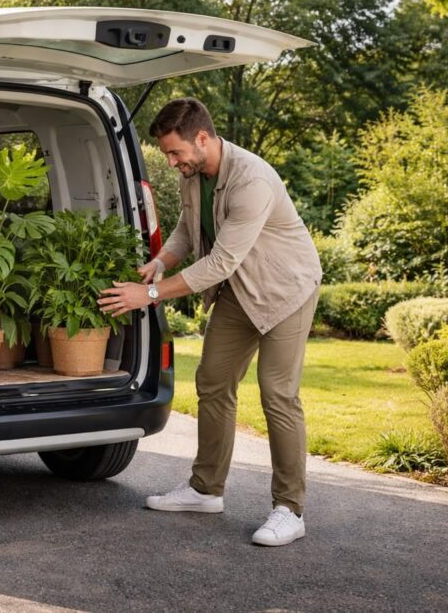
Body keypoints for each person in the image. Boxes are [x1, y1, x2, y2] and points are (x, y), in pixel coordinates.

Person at [98, 97, 321, 547]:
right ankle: (205, 489)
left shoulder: (252, 180)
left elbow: (220, 261)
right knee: (213, 380)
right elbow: (187, 229)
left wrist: (150, 294)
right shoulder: (194, 174)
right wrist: (160, 262)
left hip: (286, 291)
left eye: (175, 152)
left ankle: (289, 509)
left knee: (277, 393)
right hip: (240, 291)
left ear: (202, 138)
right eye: (167, 154)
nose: (171, 162)